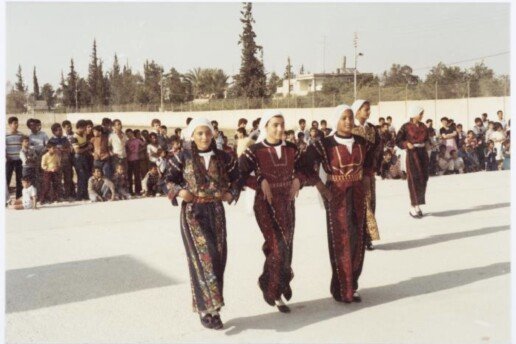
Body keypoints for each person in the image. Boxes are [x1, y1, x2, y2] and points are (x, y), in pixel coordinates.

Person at [165, 118, 240, 330]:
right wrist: (180, 191)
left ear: (213, 134)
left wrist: (230, 193)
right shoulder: (182, 156)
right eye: (199, 133)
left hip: (216, 211)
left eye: (207, 133)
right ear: (192, 135)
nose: (204, 137)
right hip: (193, 213)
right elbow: (166, 179)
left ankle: (214, 309)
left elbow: (238, 177)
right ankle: (207, 311)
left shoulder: (224, 157)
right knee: (203, 259)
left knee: (217, 259)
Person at [299, 104, 369, 303]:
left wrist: (365, 180)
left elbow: (371, 162)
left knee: (357, 239)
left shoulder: (362, 142)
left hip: (357, 194)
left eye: (350, 117)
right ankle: (340, 288)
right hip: (336, 195)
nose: (348, 121)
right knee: (340, 240)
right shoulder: (323, 144)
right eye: (343, 118)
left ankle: (352, 285)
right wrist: (320, 186)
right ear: (336, 120)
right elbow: (304, 164)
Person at [238, 110, 307, 313]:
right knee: (277, 246)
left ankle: (275, 282)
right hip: (265, 205)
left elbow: (307, 168)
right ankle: (272, 290)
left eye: (282, 124)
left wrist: (298, 180)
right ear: (265, 127)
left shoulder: (293, 149)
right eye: (275, 124)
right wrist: (259, 181)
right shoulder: (255, 150)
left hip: (287, 203)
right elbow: (239, 173)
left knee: (287, 246)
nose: (279, 128)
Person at [351, 99, 382, 250]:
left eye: (369, 109)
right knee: (359, 204)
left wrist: (375, 165)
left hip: (369, 172)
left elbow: (378, 148)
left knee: (370, 202)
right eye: (365, 109)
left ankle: (367, 237)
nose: (368, 112)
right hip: (354, 174)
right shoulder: (350, 128)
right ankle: (358, 238)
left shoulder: (372, 129)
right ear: (357, 111)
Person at [395, 105, 430, 218]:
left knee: (423, 178)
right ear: (414, 113)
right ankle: (413, 205)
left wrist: (430, 143)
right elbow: (398, 140)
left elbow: (427, 138)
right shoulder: (406, 127)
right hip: (412, 154)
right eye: (420, 114)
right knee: (414, 178)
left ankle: (418, 203)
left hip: (423, 154)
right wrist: (406, 144)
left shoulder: (423, 126)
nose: (422, 116)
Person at [48, 123, 75, 200]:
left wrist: (62, 150)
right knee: (57, 180)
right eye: (59, 130)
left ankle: (68, 195)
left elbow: (70, 149)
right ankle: (59, 196)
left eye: (61, 130)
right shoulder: (51, 140)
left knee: (68, 179)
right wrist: (56, 150)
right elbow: (50, 150)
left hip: (66, 162)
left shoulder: (65, 139)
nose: (61, 131)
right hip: (56, 163)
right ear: (54, 132)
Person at [71, 120, 92, 201]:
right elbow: (77, 151)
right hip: (78, 158)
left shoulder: (84, 134)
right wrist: (87, 148)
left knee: (86, 176)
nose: (85, 129)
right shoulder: (74, 137)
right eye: (84, 128)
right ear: (80, 127)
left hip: (84, 157)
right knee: (81, 176)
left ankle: (85, 194)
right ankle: (79, 195)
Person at [6, 116, 25, 199]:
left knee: (19, 179)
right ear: (10, 124)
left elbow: (24, 147)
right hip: (9, 160)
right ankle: (5, 198)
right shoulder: (5, 135)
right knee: (7, 178)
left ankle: (19, 197)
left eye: (17, 123)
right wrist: (6, 156)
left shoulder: (21, 135)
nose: (16, 125)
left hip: (19, 160)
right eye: (14, 123)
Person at [126, 130, 144, 196]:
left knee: (137, 176)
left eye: (130, 133)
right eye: (127, 134)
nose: (129, 135)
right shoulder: (127, 142)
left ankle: (138, 191)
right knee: (129, 176)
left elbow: (144, 145)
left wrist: (139, 151)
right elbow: (125, 149)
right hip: (128, 160)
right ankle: (130, 191)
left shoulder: (137, 140)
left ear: (132, 134)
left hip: (136, 159)